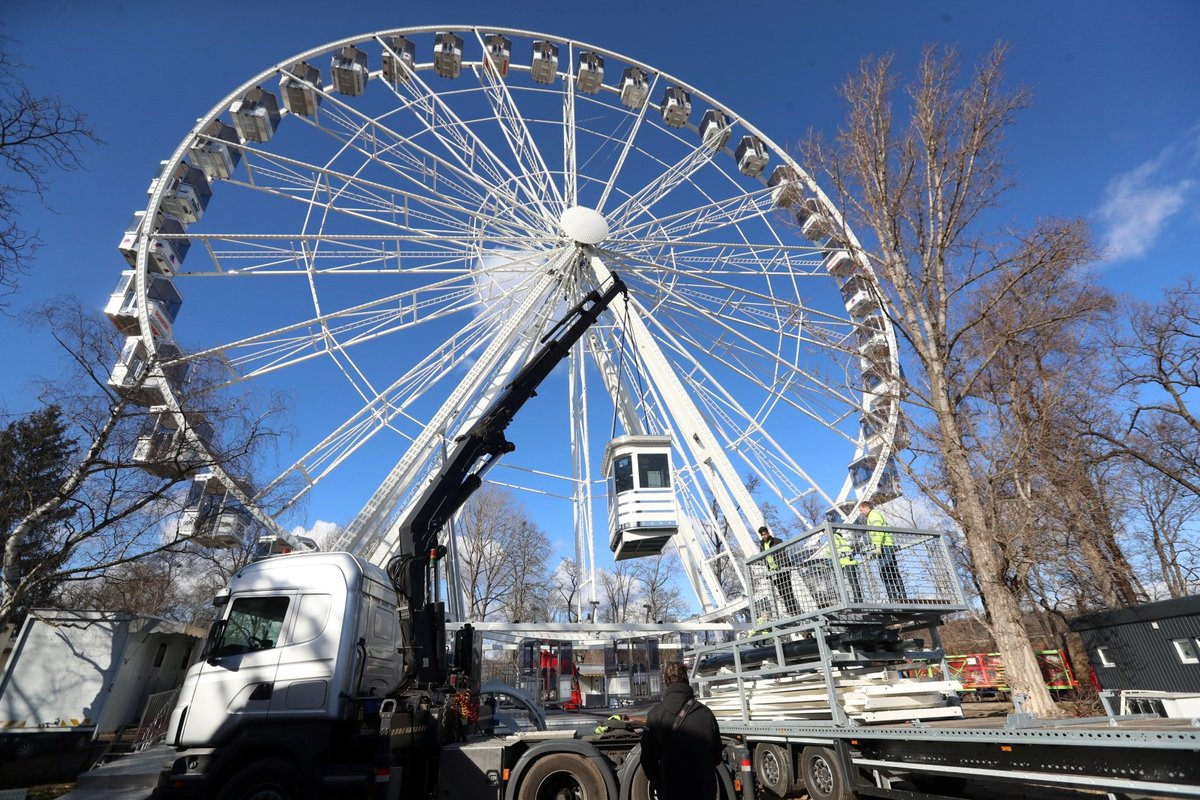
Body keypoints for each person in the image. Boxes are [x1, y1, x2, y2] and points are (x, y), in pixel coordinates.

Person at [640, 662, 722, 800]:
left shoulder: (655, 715)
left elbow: (648, 760)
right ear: (687, 680)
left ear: (666, 682)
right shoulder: (706, 714)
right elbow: (717, 756)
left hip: (671, 790)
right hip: (703, 791)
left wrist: (659, 778)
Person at [858, 500, 906, 602]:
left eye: (861, 510)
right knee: (892, 572)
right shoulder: (875, 515)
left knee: (886, 573)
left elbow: (877, 531)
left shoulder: (873, 516)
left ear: (867, 508)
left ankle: (894, 598)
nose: (861, 513)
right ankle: (901, 596)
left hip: (884, 547)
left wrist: (878, 547)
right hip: (886, 545)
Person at [757, 525, 799, 617]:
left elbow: (782, 552)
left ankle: (793, 611)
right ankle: (790, 610)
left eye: (764, 534)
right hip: (773, 571)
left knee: (788, 590)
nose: (764, 536)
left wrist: (782, 564)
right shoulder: (762, 545)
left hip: (782, 569)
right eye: (762, 535)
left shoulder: (777, 541)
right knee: (781, 591)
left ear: (768, 533)